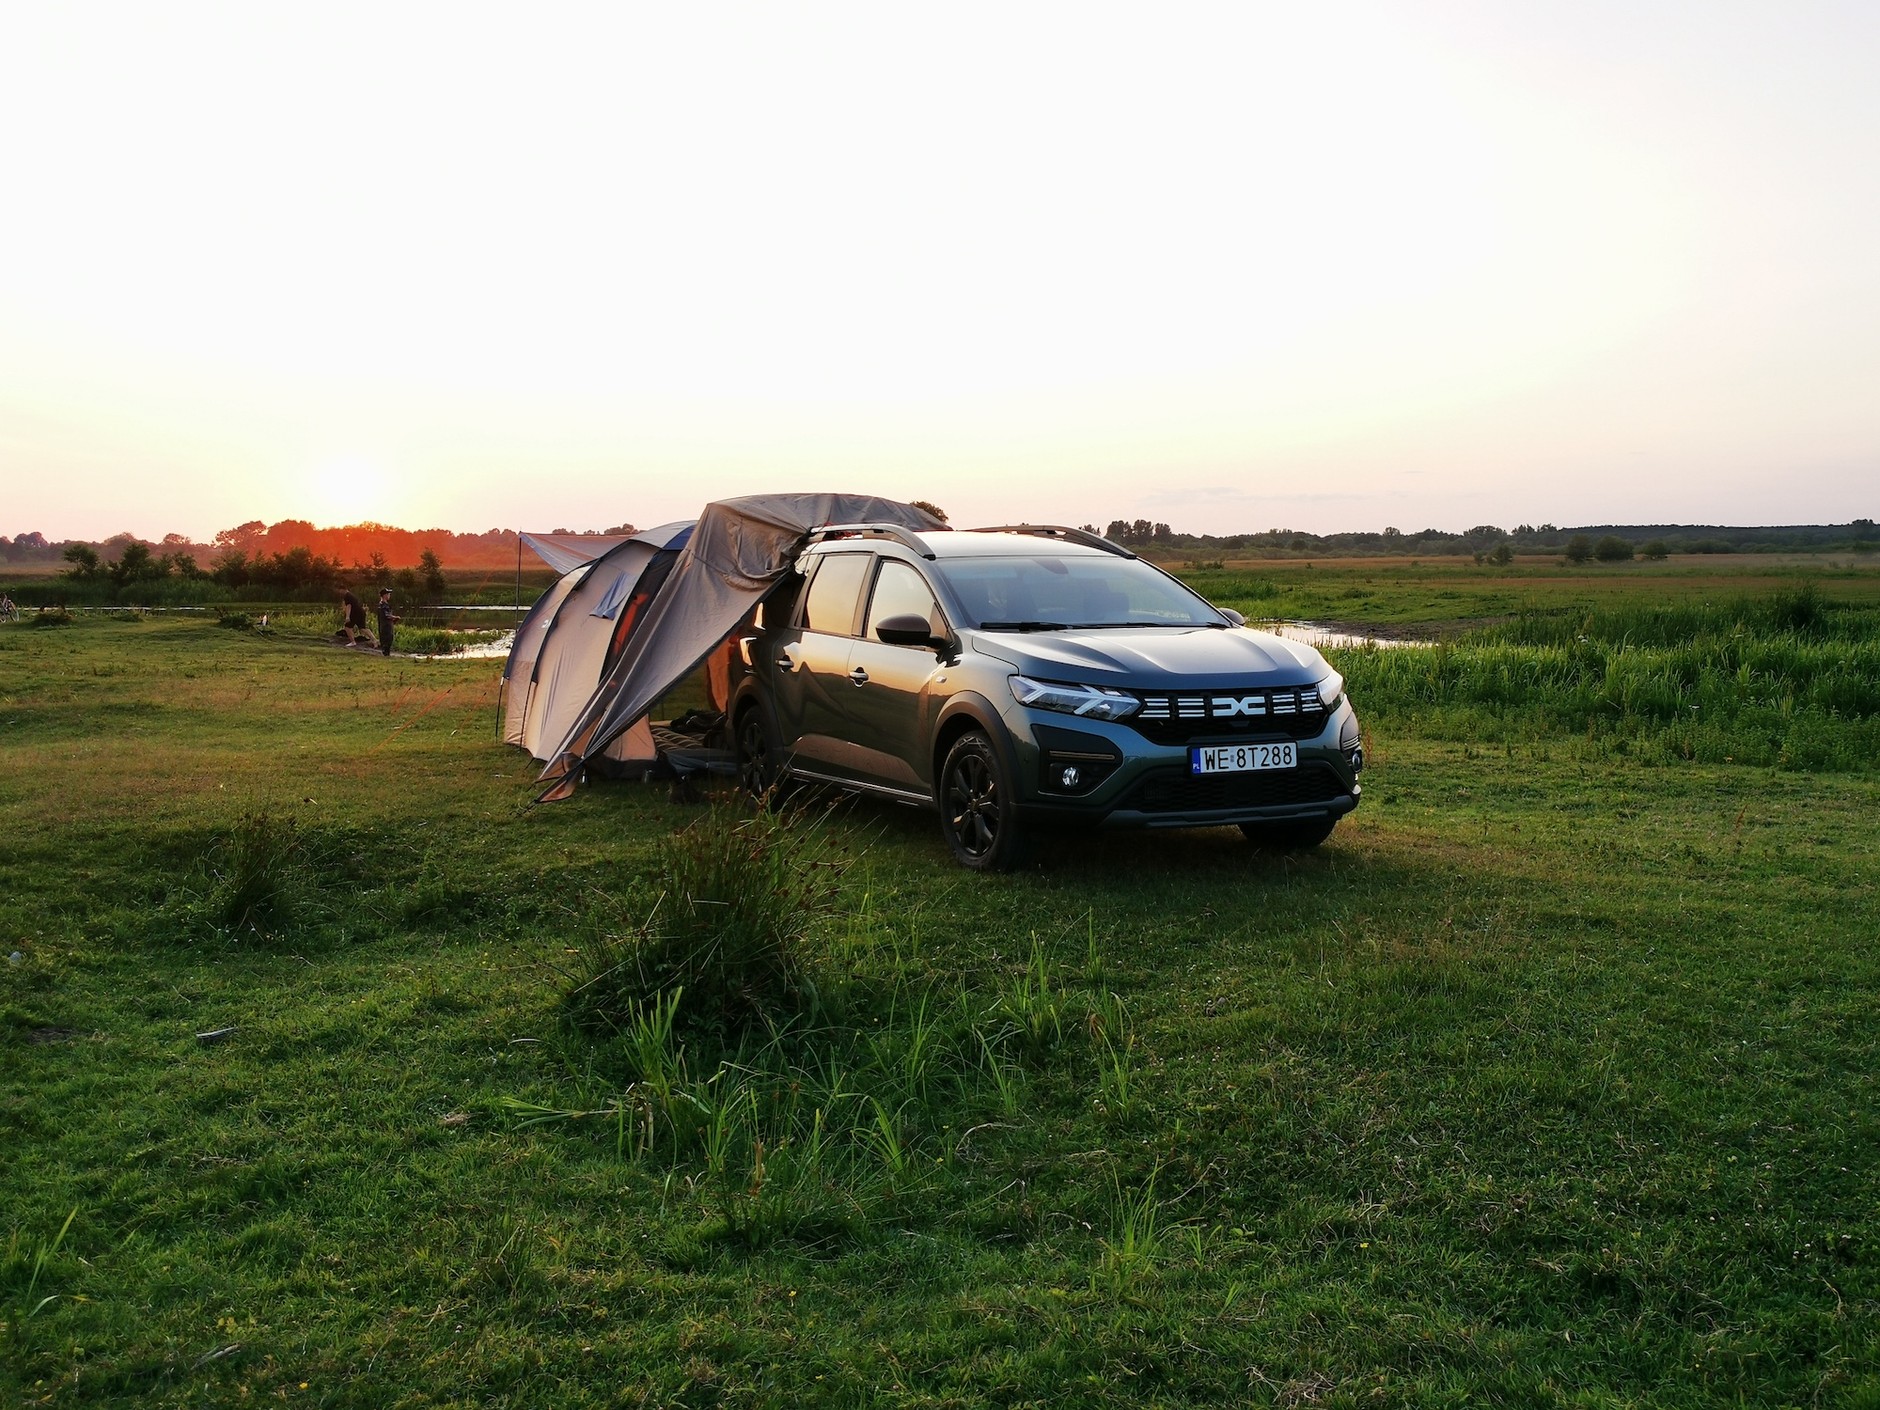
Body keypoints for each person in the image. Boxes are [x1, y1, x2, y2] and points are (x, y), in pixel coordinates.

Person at [375, 588, 400, 657]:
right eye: (388, 594)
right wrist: (396, 617)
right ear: (384, 595)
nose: (389, 595)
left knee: (384, 641)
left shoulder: (380, 604)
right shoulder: (384, 605)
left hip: (383, 626)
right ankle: (386, 655)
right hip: (386, 627)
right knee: (387, 641)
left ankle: (386, 654)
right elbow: (387, 616)